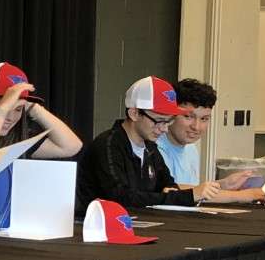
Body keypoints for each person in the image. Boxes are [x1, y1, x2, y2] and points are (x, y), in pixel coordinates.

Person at [77, 75, 248, 209]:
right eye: (159, 121)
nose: (164, 129)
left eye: (169, 121)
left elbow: (168, 185)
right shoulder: (108, 145)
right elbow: (120, 197)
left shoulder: (150, 147)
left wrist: (171, 193)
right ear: (134, 114)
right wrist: (187, 196)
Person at [0, 61, 82, 177]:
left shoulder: (17, 139)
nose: (10, 117)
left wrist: (32, 107)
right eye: (2, 105)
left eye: (18, 109)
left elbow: (71, 146)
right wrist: (2, 110)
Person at [156, 78, 257, 197]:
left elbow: (193, 193)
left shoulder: (191, 149)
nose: (196, 127)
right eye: (188, 116)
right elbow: (170, 192)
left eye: (204, 119)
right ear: (171, 114)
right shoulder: (154, 149)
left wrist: (224, 184)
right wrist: (245, 196)